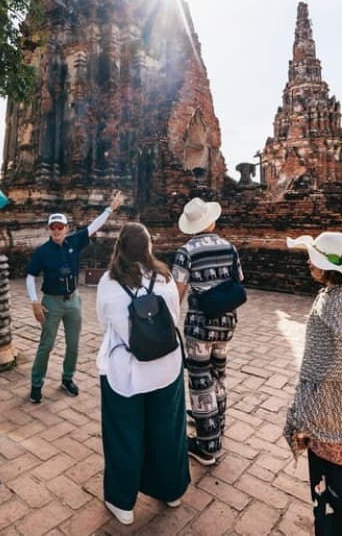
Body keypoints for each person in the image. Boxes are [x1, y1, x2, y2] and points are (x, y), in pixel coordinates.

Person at [284, 232, 342, 535]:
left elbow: (314, 374)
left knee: (333, 498)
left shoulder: (329, 308)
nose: (309, 263)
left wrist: (299, 419)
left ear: (328, 267)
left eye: (313, 259)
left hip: (330, 414)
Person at [96, 223, 190, 525]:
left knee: (124, 435)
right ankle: (172, 491)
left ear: (119, 247)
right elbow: (174, 317)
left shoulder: (108, 282)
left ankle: (122, 503)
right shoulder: (165, 278)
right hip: (166, 367)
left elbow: (104, 324)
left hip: (126, 372)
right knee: (168, 431)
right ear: (149, 246)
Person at [26, 190, 124, 403]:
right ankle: (36, 383)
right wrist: (34, 302)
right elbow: (30, 275)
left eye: (60, 227)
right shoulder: (43, 251)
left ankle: (67, 378)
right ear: (49, 229)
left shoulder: (74, 242)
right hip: (51, 302)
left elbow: (94, 226)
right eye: (53, 227)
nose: (57, 230)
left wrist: (110, 208)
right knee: (46, 345)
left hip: (73, 300)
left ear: (66, 228)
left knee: (73, 343)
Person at [171, 197, 242, 465]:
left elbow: (177, 292)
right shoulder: (230, 248)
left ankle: (208, 446)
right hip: (226, 322)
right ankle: (216, 424)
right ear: (210, 222)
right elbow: (237, 281)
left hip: (199, 325)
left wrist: (170, 321)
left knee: (200, 379)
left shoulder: (186, 252)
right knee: (218, 373)